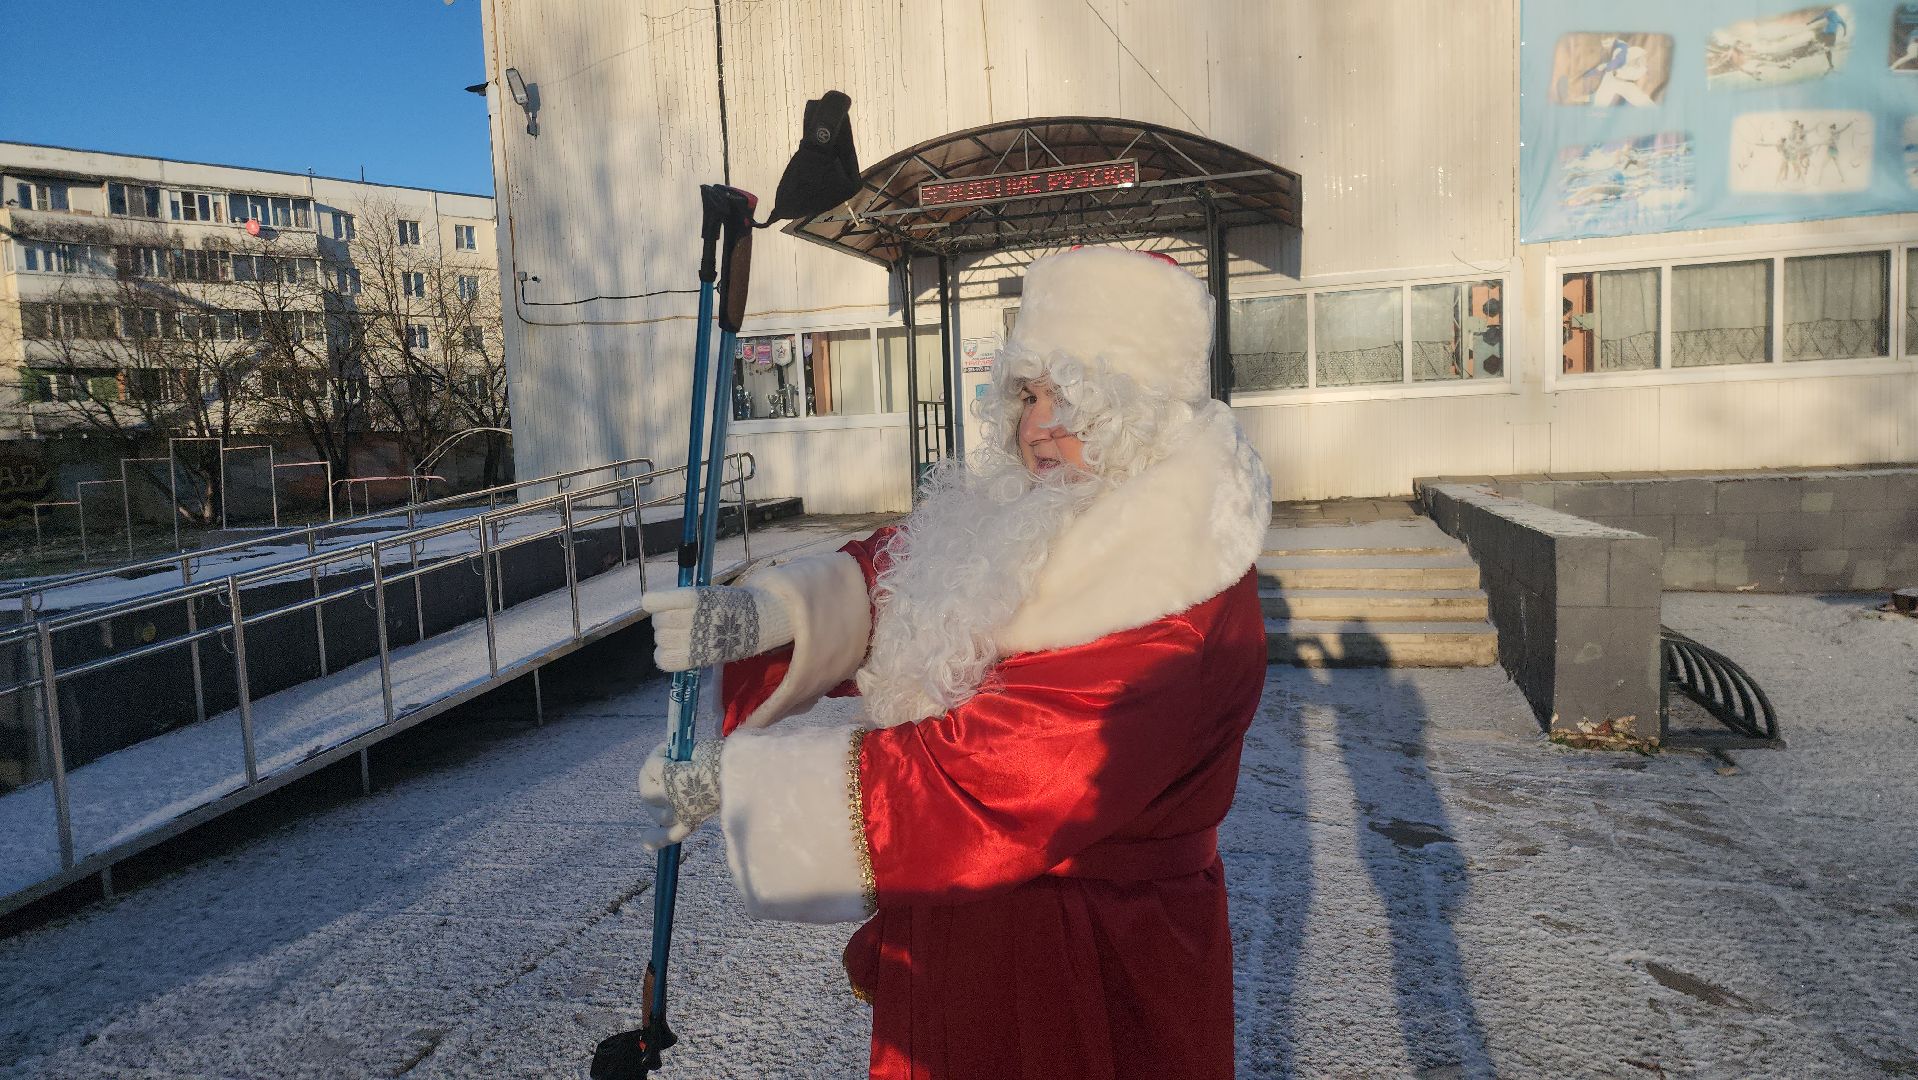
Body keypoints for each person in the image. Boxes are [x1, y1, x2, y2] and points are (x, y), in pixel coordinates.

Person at [636, 246, 1272, 1079]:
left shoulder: (1173, 592)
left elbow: (994, 778)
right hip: (972, 923)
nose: (1040, 426)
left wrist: (743, 784)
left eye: (1074, 399)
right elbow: (909, 570)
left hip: (1087, 957)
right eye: (1031, 394)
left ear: (1141, 413)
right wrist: (761, 617)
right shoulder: (1048, 508)